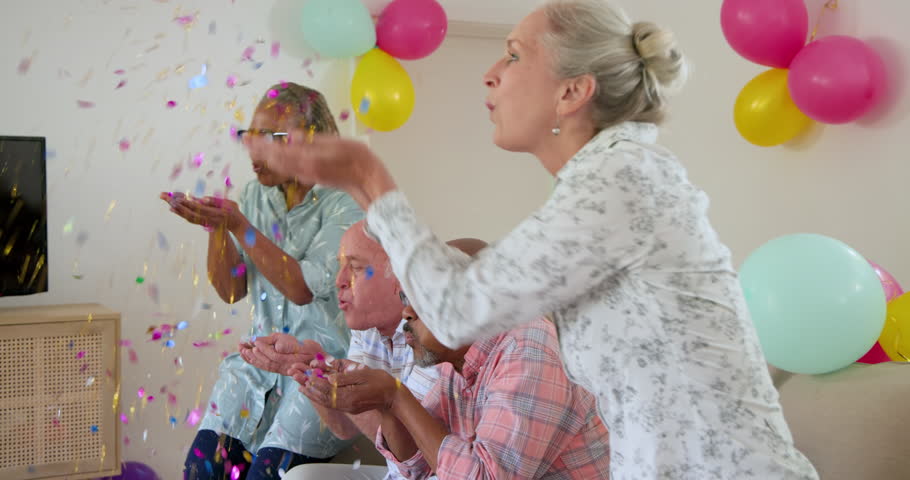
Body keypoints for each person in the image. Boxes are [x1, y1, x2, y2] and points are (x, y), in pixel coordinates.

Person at [254, 1, 821, 479]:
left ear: (573, 91)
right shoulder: (599, 183)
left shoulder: (620, 180)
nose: (490, 73)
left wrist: (367, 176)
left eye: (515, 54)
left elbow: (455, 312)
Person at [161, 82, 364, 480]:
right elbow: (232, 289)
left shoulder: (345, 200)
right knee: (199, 471)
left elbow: (301, 288)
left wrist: (238, 223)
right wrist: (217, 228)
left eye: (274, 138)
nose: (255, 149)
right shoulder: (255, 195)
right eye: (252, 136)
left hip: (317, 375)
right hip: (253, 369)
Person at [298, 291, 611, 479]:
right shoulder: (451, 359)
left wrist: (394, 397)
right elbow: (415, 469)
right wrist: (384, 404)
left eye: (419, 298)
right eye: (405, 298)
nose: (406, 313)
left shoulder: (529, 348)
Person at [239, 221, 453, 480]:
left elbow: (414, 455)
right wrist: (310, 369)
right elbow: (343, 428)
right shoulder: (366, 328)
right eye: (340, 267)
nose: (339, 281)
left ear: (399, 276)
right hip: (400, 473)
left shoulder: (432, 332)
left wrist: (331, 370)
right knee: (300, 476)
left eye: (355, 268)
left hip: (436, 473)